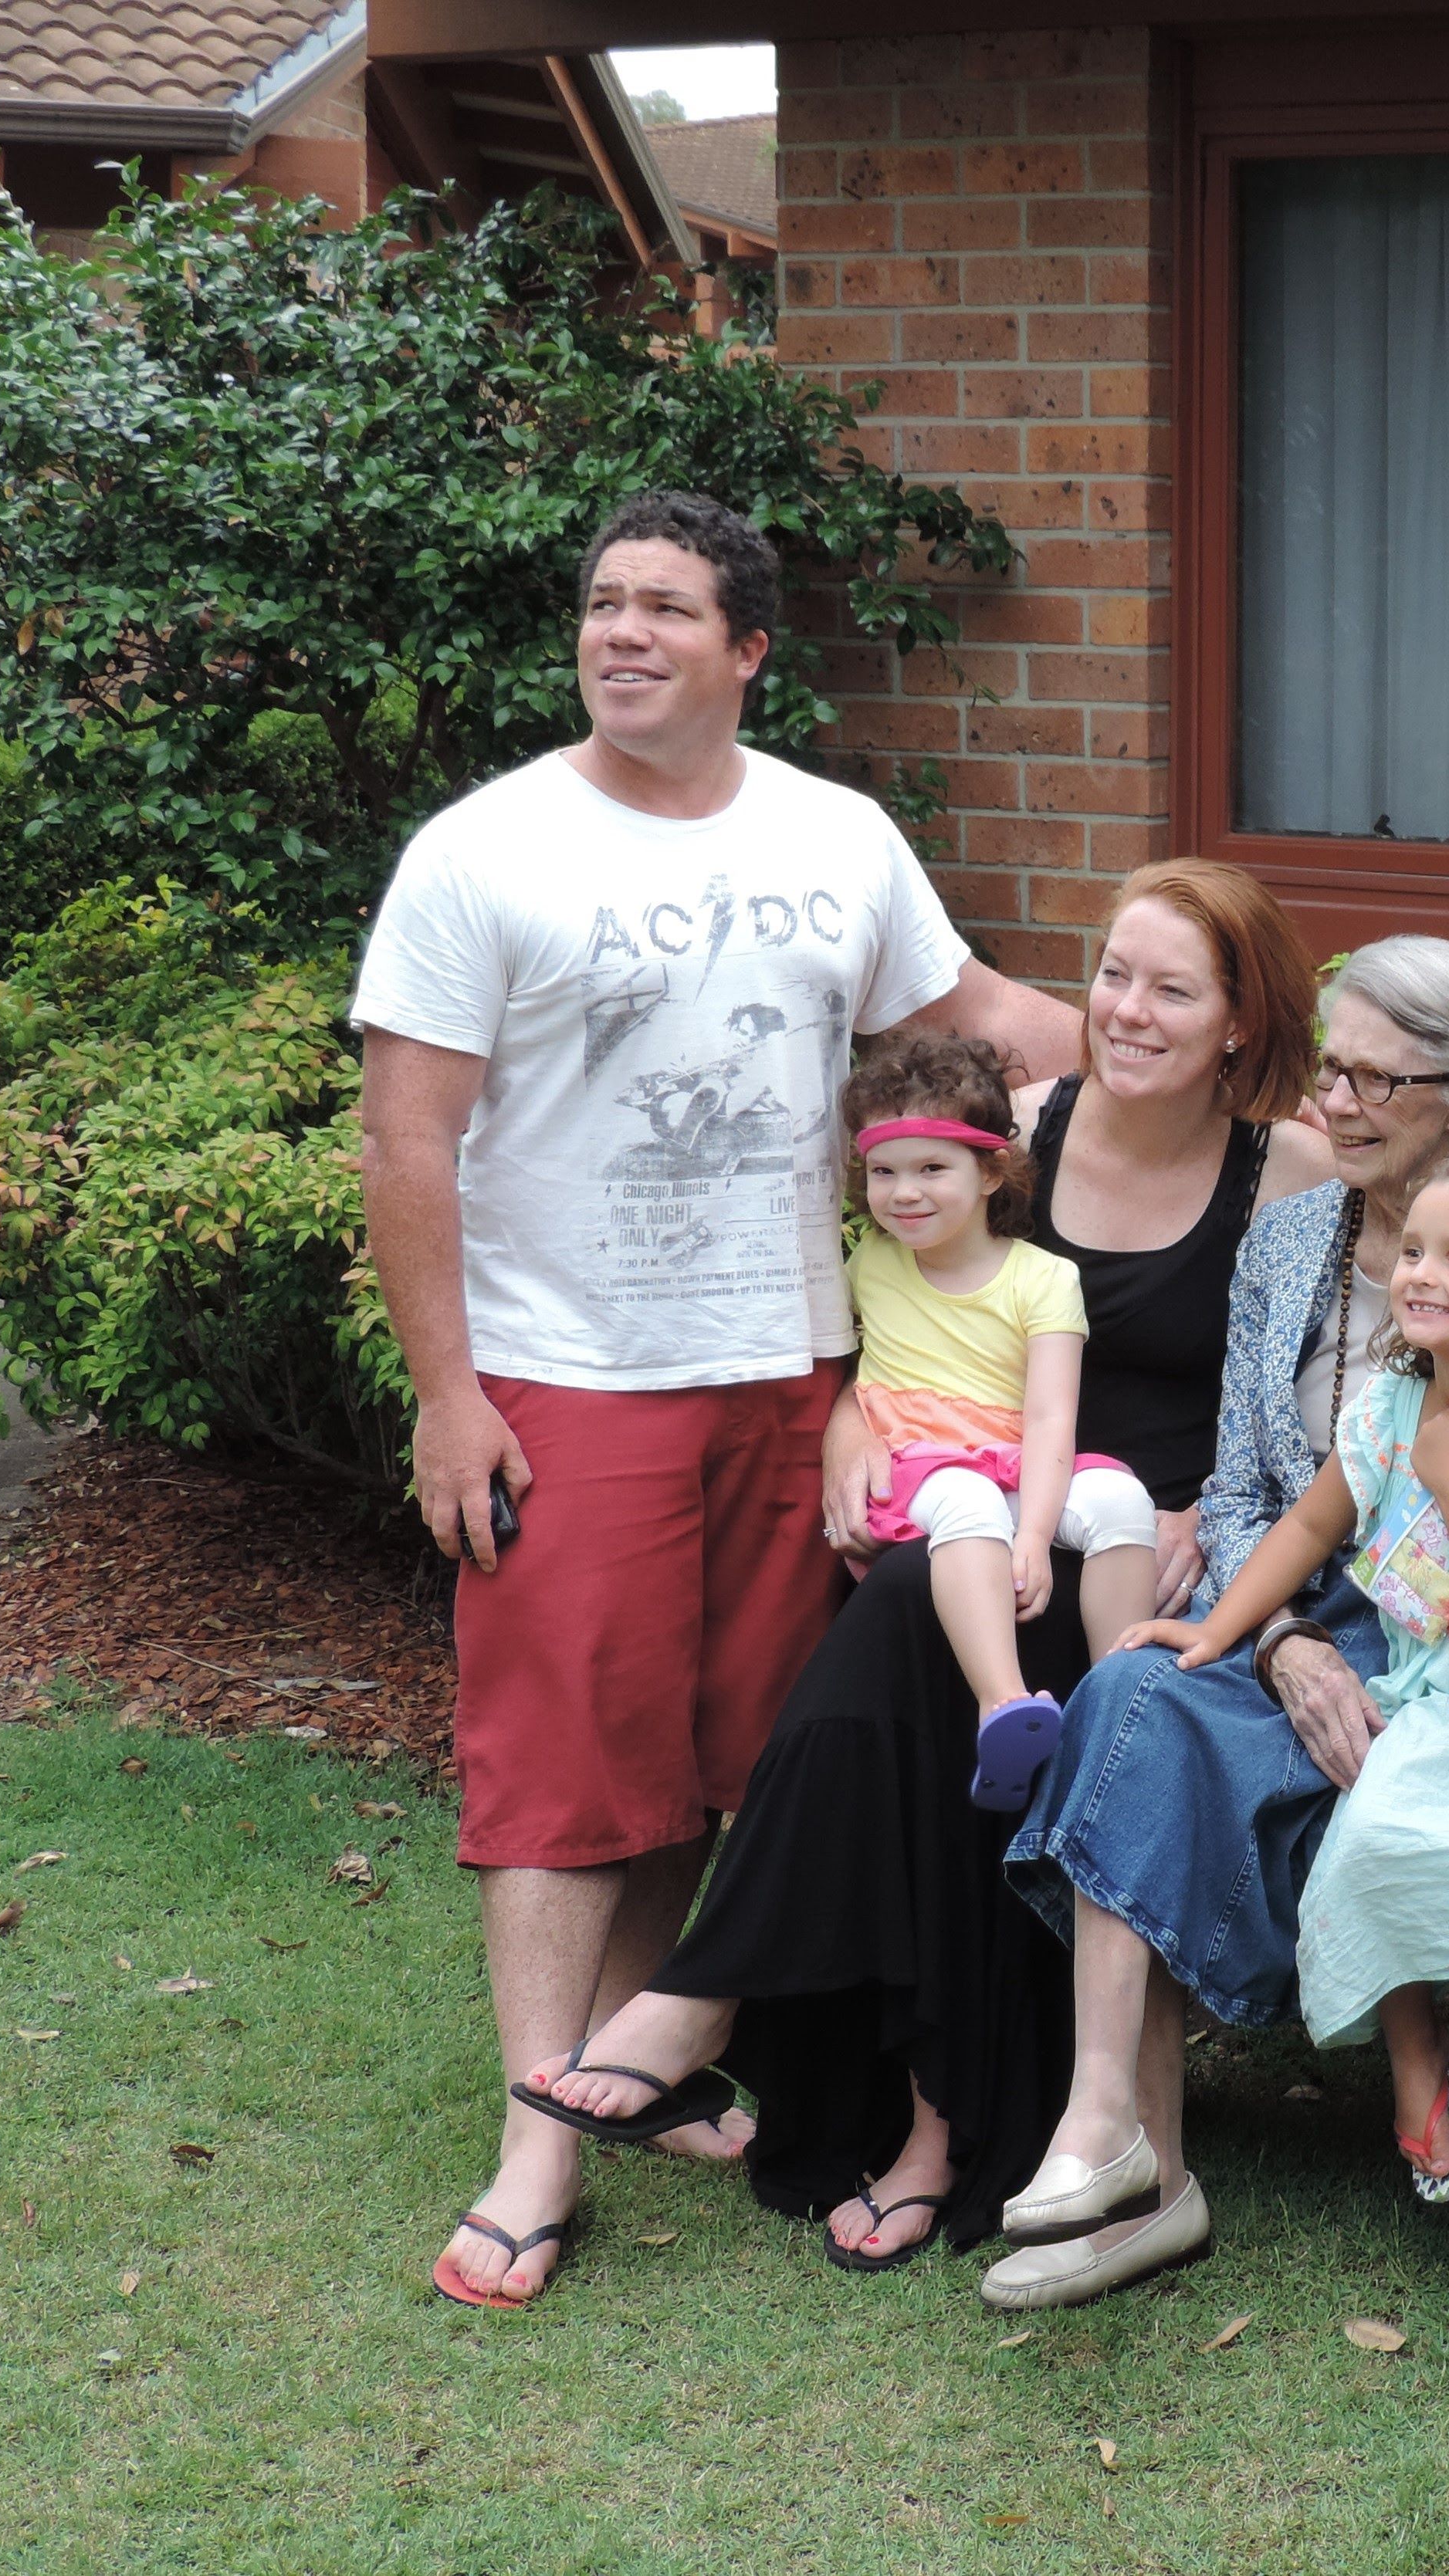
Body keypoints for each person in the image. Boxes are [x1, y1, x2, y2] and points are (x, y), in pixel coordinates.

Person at [354, 488, 1078, 2311]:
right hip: (569, 1371)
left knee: (717, 1745)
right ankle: (536, 2138)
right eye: (604, 604)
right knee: (555, 1762)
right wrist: (450, 1389)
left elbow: (973, 1011)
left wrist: (1205, 1040)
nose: (623, 633)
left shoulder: (836, 834)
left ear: (747, 650)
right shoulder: (483, 848)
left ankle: (640, 2046)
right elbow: (409, 1130)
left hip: (795, 1365)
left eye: (667, 609)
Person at [508, 862, 1331, 2268]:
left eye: (1170, 988)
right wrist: (844, 1426)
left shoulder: (1289, 1171)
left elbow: (1302, 1401)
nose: (1124, 1010)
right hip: (968, 1523)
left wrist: (1215, 1516)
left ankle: (719, 2004)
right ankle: (910, 2112)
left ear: (1242, 1021)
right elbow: (910, 1317)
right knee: (917, 1629)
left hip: (1142, 1559)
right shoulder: (1017, 1130)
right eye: (1113, 973)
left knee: (912, 1633)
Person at [989, 938, 1449, 2311]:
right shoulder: (1285, 1235)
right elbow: (1243, 1486)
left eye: (1374, 1079)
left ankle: (1155, 2156)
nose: (1333, 1102)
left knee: (1194, 1736)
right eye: (1328, 1068)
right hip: (1312, 1608)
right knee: (1132, 1697)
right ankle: (1123, 2144)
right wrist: (1275, 1634)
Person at [1113, 1151, 1449, 2290]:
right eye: (1414, 1250)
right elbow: (1307, 1530)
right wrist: (1217, 1635)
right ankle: (1420, 2051)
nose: (1420, 1272)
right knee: (1364, 1850)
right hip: (1421, 1696)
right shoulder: (1390, 1403)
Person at [835, 1029, 1156, 1804]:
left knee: (1122, 1500)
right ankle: (1003, 1705)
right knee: (967, 1497)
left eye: (931, 1168)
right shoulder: (868, 1265)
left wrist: (1037, 1536)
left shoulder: (1043, 1279)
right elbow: (845, 1382)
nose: (903, 1192)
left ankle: (1127, 1706)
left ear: (990, 1172)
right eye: (884, 1171)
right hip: (916, 1467)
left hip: (1013, 1457)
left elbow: (1050, 1418)